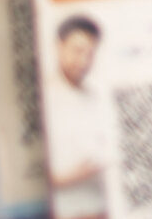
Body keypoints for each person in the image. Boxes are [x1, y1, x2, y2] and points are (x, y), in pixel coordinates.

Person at [44, 15, 107, 218]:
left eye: (90, 54)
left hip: (100, 209)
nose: (83, 61)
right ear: (59, 47)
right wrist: (72, 177)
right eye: (77, 51)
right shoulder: (43, 98)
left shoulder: (94, 97)